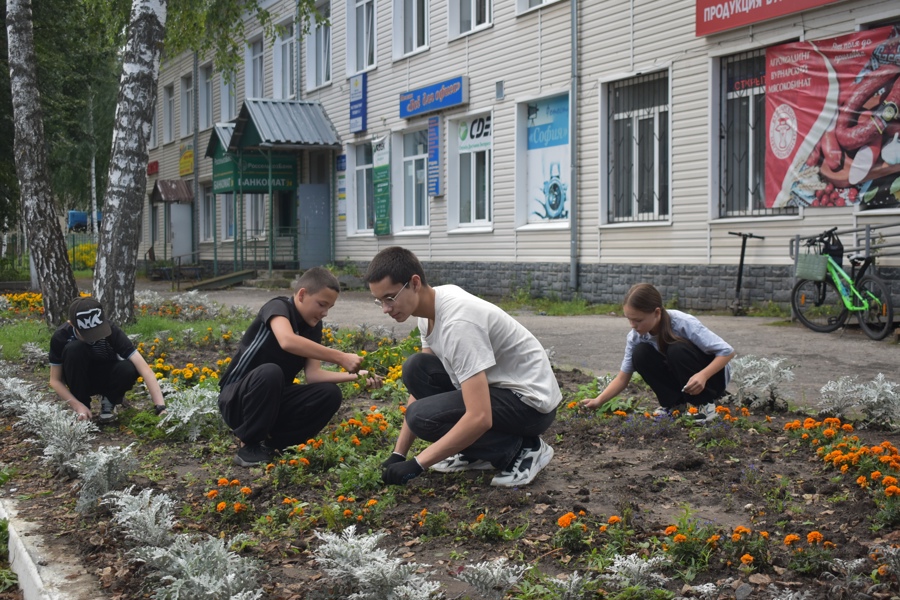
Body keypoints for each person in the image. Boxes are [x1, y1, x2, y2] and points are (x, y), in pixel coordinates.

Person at [365, 246, 562, 488]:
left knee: (422, 418)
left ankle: (522, 450)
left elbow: (479, 416)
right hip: (500, 392)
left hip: (530, 406)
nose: (385, 309)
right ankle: (476, 452)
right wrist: (399, 454)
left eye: (390, 298)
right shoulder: (428, 311)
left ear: (414, 283)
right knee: (417, 368)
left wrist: (418, 464)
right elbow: (422, 385)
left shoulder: (458, 323)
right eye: (379, 301)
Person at [218, 267, 379, 467]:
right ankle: (249, 445)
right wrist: (340, 357)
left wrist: (358, 376)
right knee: (271, 371)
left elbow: (314, 375)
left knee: (329, 394)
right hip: (236, 400)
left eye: (329, 307)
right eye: (322, 304)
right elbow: (287, 340)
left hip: (272, 402)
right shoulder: (277, 308)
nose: (325, 313)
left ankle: (277, 445)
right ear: (302, 294)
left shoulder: (313, 328)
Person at [582, 283, 735, 422]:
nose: (633, 325)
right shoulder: (636, 337)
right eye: (629, 319)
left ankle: (705, 405)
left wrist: (703, 375)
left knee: (676, 349)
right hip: (685, 382)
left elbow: (727, 352)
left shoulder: (683, 323)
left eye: (638, 320)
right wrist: (598, 401)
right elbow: (623, 377)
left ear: (656, 313)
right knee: (640, 353)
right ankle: (675, 406)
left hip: (712, 380)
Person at [49, 296, 167, 423]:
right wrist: (77, 405)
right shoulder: (61, 336)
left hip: (106, 375)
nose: (94, 337)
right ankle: (83, 409)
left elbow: (144, 369)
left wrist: (161, 408)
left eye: (97, 331)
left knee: (129, 367)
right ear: (71, 324)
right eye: (88, 333)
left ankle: (109, 401)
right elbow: (55, 380)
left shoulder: (111, 330)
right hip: (78, 378)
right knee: (74, 348)